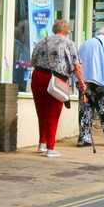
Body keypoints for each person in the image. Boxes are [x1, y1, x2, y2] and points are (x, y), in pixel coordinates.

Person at [30, 19, 87, 157]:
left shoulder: (43, 41)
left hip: (37, 77)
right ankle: (50, 148)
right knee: (53, 113)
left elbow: (32, 62)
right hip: (56, 80)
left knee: (41, 112)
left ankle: (42, 143)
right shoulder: (69, 43)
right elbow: (77, 67)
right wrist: (82, 83)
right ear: (67, 31)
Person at [76, 26, 104, 147]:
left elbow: (78, 63)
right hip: (100, 83)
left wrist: (79, 80)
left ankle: (84, 138)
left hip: (84, 82)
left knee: (85, 110)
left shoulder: (85, 44)